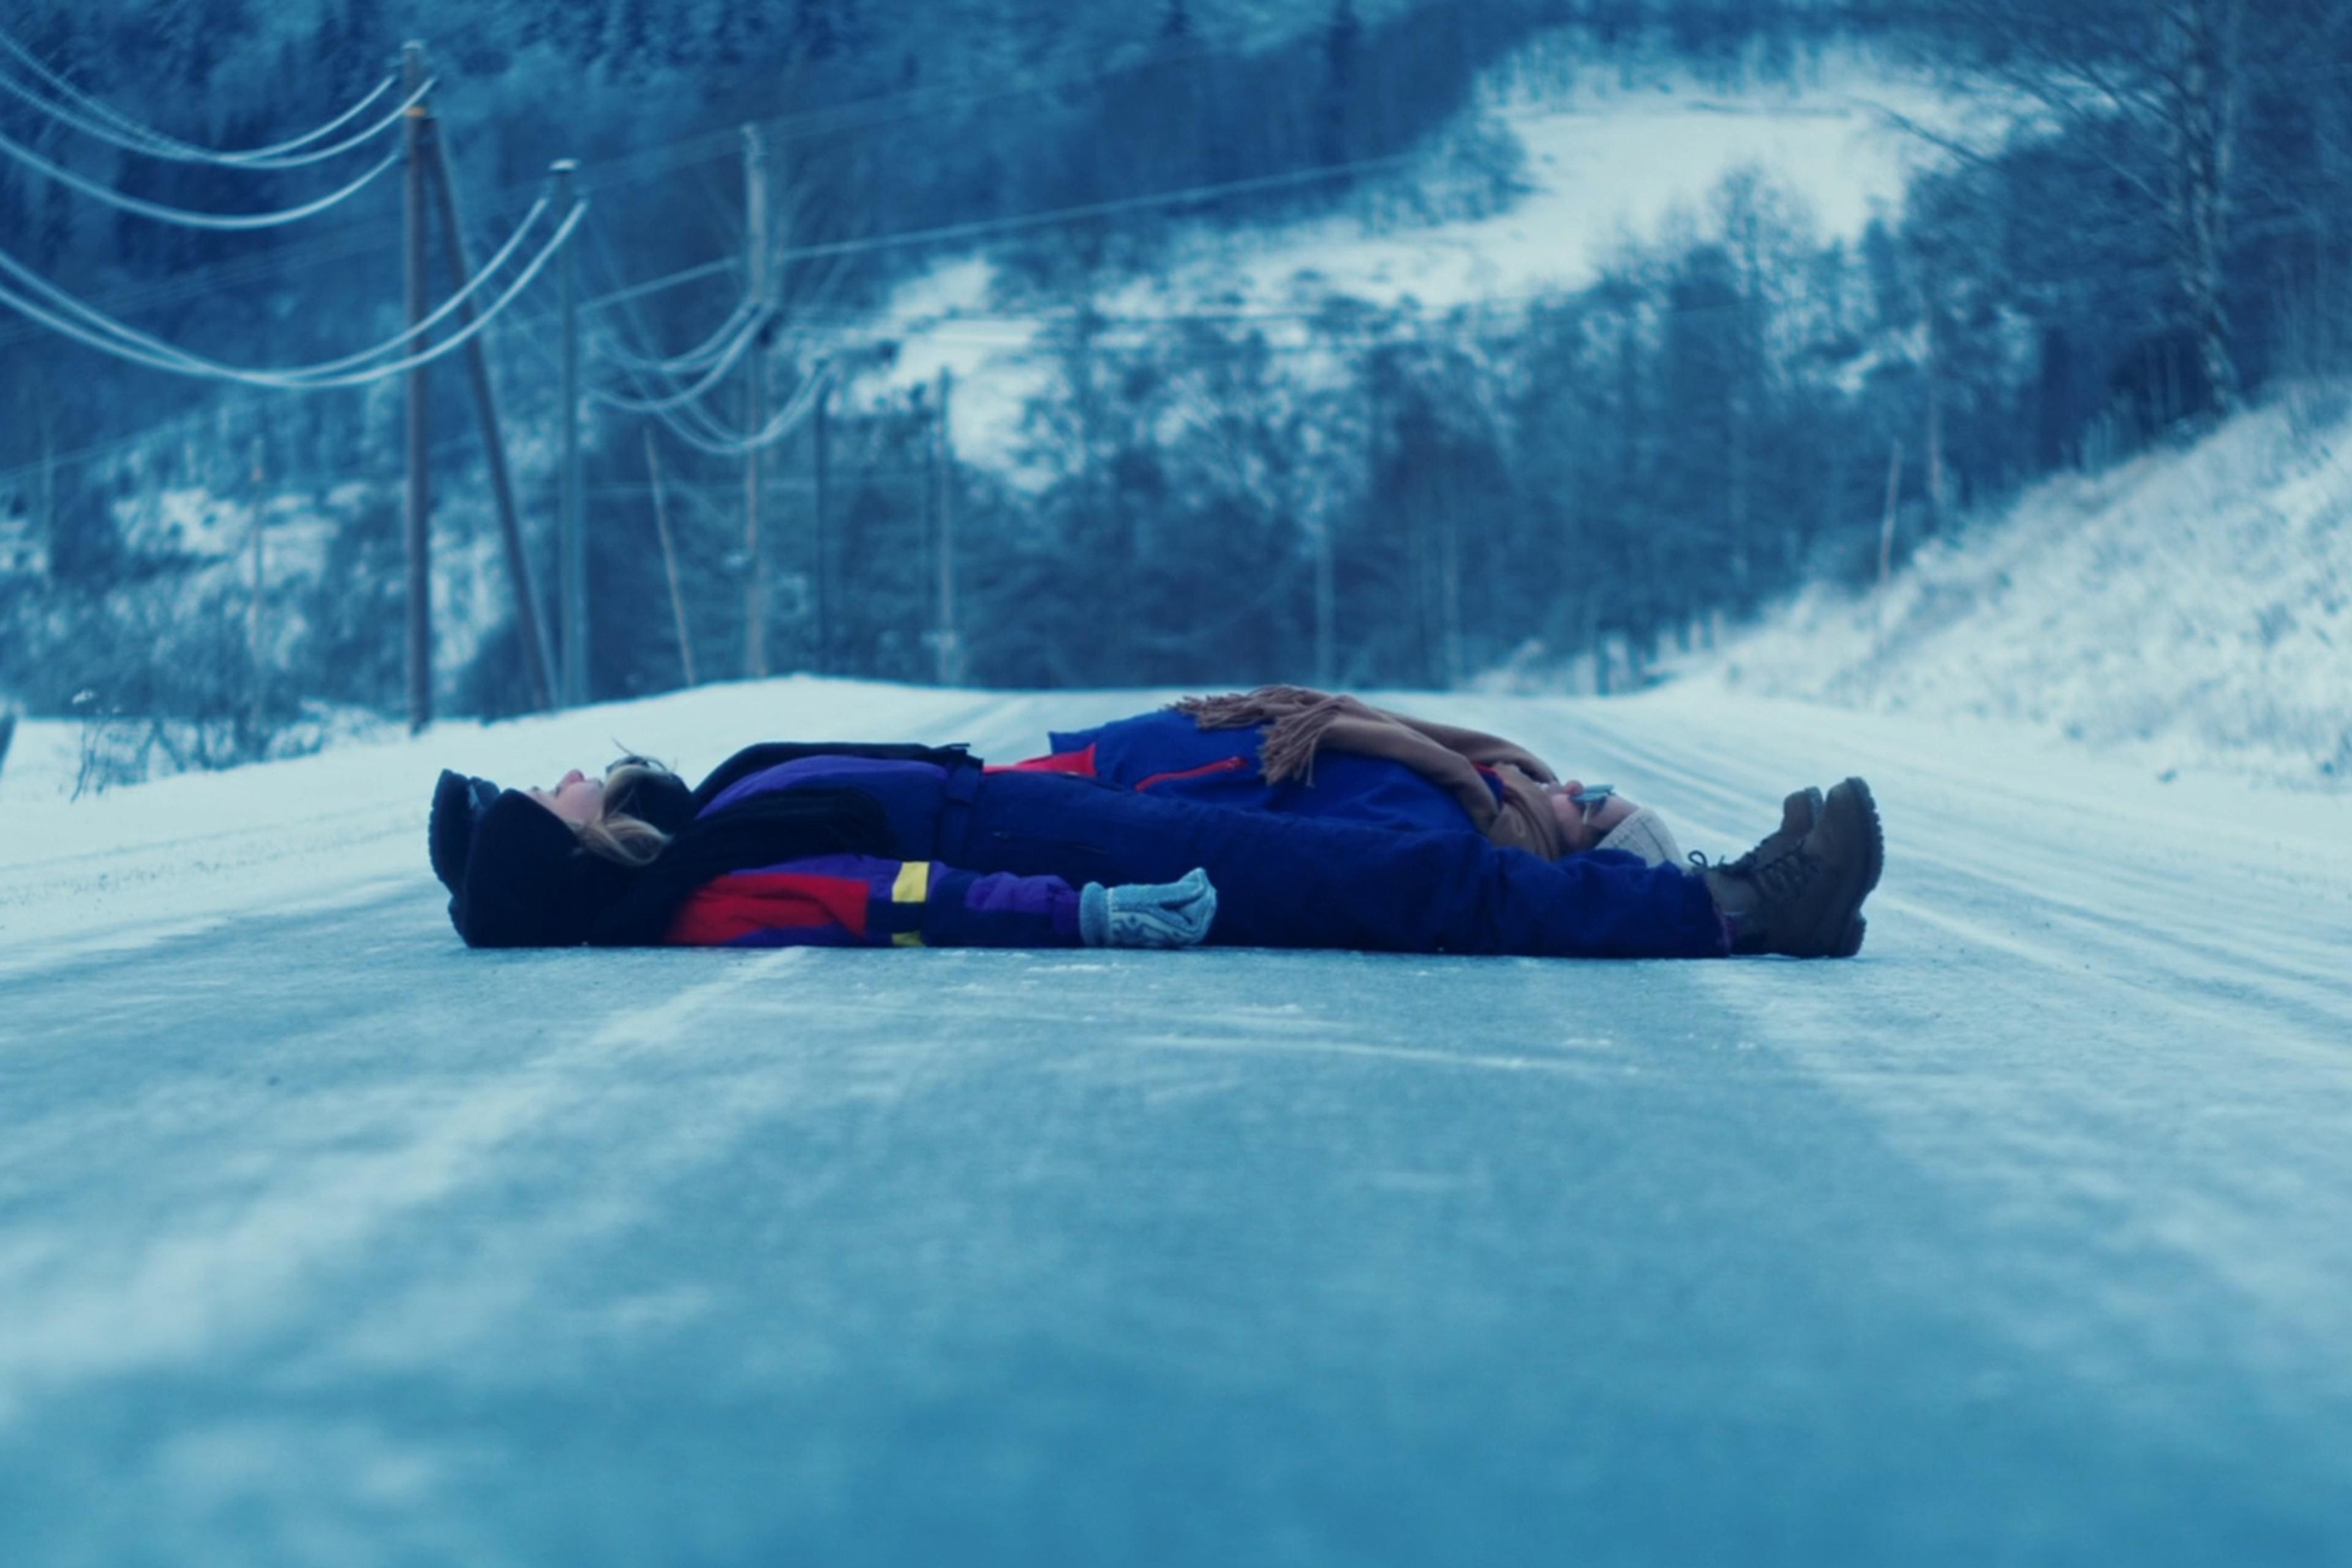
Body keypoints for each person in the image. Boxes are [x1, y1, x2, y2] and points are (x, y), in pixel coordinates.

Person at [428, 717, 1885, 962]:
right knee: (1390, 889)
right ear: (578, 857)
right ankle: (1742, 911)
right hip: (1055, 855)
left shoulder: (710, 812)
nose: (568, 771)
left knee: (1359, 821)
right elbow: (895, 899)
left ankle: (1668, 875)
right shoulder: (707, 886)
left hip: (1049, 807)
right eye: (545, 796)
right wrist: (1079, 913)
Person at [996, 687, 1685, 865]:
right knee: (941, 779)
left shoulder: (1462, 831)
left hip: (1159, 781)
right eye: (1591, 783)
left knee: (943, 794)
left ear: (1583, 852)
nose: (1570, 787)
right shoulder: (1491, 789)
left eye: (1591, 806)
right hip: (1171, 751)